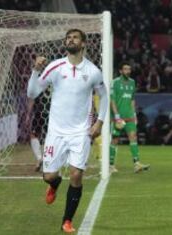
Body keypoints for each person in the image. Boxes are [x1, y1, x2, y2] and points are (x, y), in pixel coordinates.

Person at [27, 28, 108, 233]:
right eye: (68, 38)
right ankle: (54, 185)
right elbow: (33, 92)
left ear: (83, 44)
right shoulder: (55, 67)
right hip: (56, 132)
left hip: (81, 132)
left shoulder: (93, 71)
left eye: (75, 37)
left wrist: (99, 122)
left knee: (76, 175)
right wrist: (35, 71)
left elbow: (104, 96)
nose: (70, 40)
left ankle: (67, 221)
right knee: (49, 175)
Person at [109, 61, 150, 173]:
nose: (128, 71)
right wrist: (116, 116)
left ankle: (137, 164)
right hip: (118, 117)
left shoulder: (132, 82)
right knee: (115, 140)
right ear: (121, 71)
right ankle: (110, 165)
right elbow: (112, 100)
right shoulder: (115, 83)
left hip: (129, 116)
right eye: (125, 69)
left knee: (133, 137)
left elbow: (132, 99)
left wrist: (134, 114)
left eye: (129, 69)